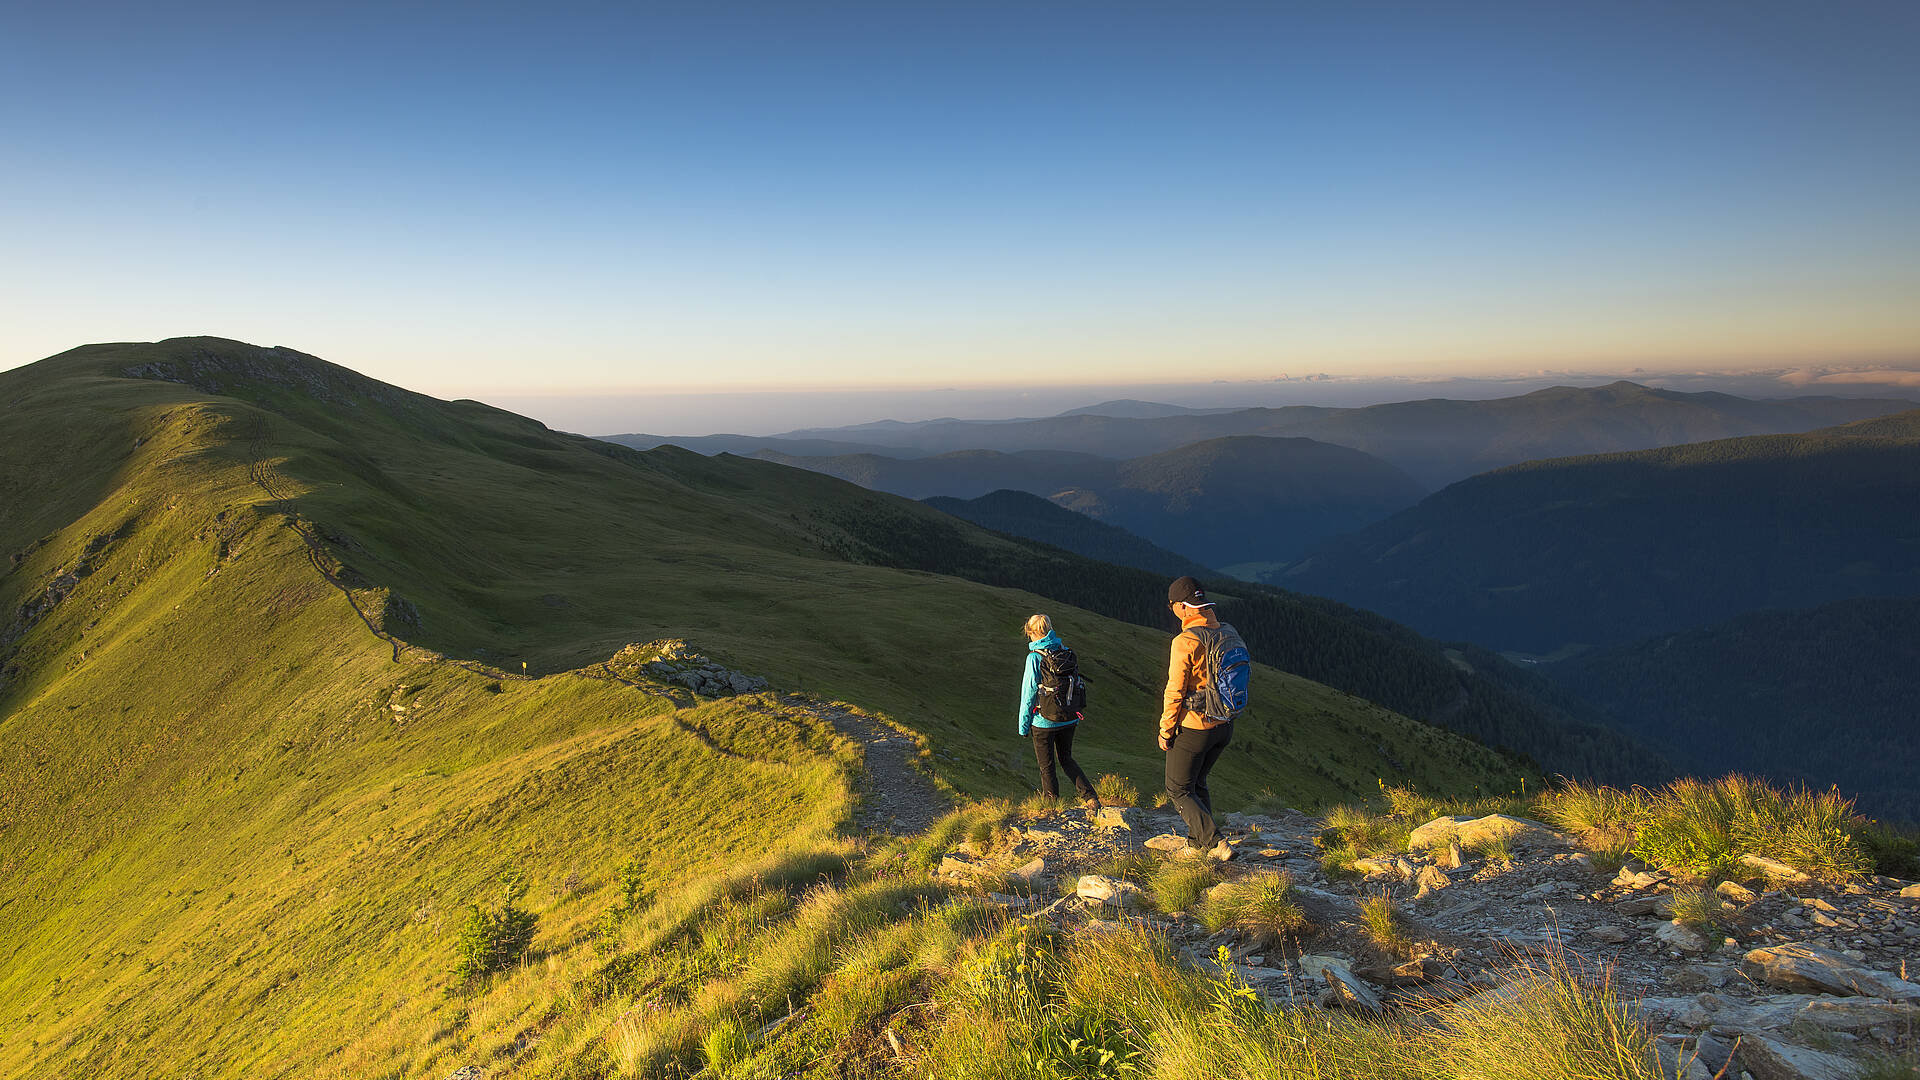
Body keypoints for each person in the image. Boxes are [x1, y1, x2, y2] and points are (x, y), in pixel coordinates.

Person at [1159, 576, 1247, 860]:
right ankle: (1196, 845)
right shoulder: (1227, 630)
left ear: (1184, 607)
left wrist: (1166, 731)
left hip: (1196, 727)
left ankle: (1215, 842)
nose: (1172, 609)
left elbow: (1174, 690)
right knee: (1197, 783)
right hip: (1225, 724)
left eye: (1173, 605)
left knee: (1177, 788)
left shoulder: (1185, 641)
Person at [1017, 614, 1100, 809]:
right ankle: (1090, 797)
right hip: (1069, 717)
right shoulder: (1066, 651)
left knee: (1047, 766)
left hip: (1043, 721)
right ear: (1050, 629)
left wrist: (1023, 725)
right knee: (1066, 759)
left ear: (1031, 633)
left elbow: (1028, 693)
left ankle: (1051, 806)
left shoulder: (1034, 658)